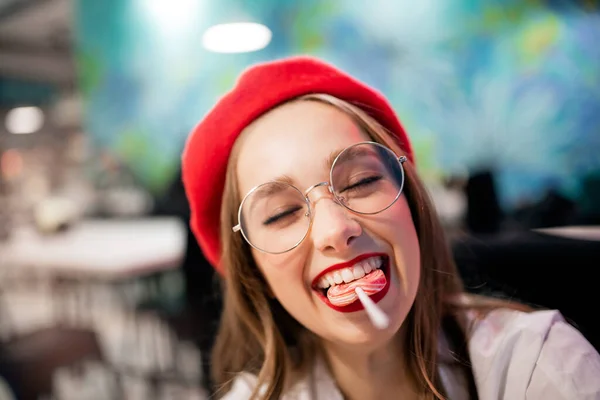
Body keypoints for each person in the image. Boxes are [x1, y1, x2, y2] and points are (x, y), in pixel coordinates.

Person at [181, 57, 600, 399]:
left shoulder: (541, 367)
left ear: (412, 206)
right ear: (255, 272)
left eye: (361, 182)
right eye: (280, 214)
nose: (334, 230)